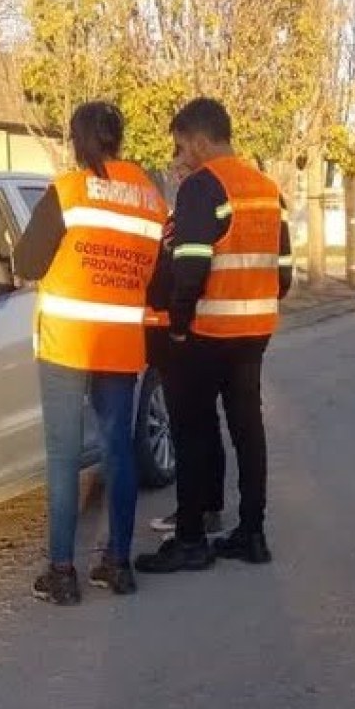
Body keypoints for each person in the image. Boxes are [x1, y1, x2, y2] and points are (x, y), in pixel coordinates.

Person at [14, 101, 166, 606]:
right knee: (118, 449)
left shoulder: (68, 191)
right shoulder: (150, 198)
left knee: (63, 455)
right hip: (120, 342)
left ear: (77, 141)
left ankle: (62, 572)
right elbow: (158, 276)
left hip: (66, 341)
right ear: (118, 139)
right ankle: (118, 565)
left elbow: (28, 263)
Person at [135, 97, 292, 575]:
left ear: (200, 141)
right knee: (248, 430)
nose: (181, 156)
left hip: (208, 333)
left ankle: (190, 539)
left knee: (193, 432)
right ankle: (251, 533)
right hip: (255, 331)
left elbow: (190, 269)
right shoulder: (269, 189)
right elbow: (284, 272)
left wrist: (179, 326)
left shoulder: (203, 186)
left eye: (182, 146)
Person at [145, 154, 226, 538]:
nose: (175, 174)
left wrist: (176, 323)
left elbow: (180, 274)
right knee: (200, 424)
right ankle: (206, 510)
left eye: (180, 167)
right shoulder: (173, 219)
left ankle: (195, 514)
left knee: (189, 427)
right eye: (173, 169)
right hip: (173, 331)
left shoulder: (190, 216)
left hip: (176, 331)